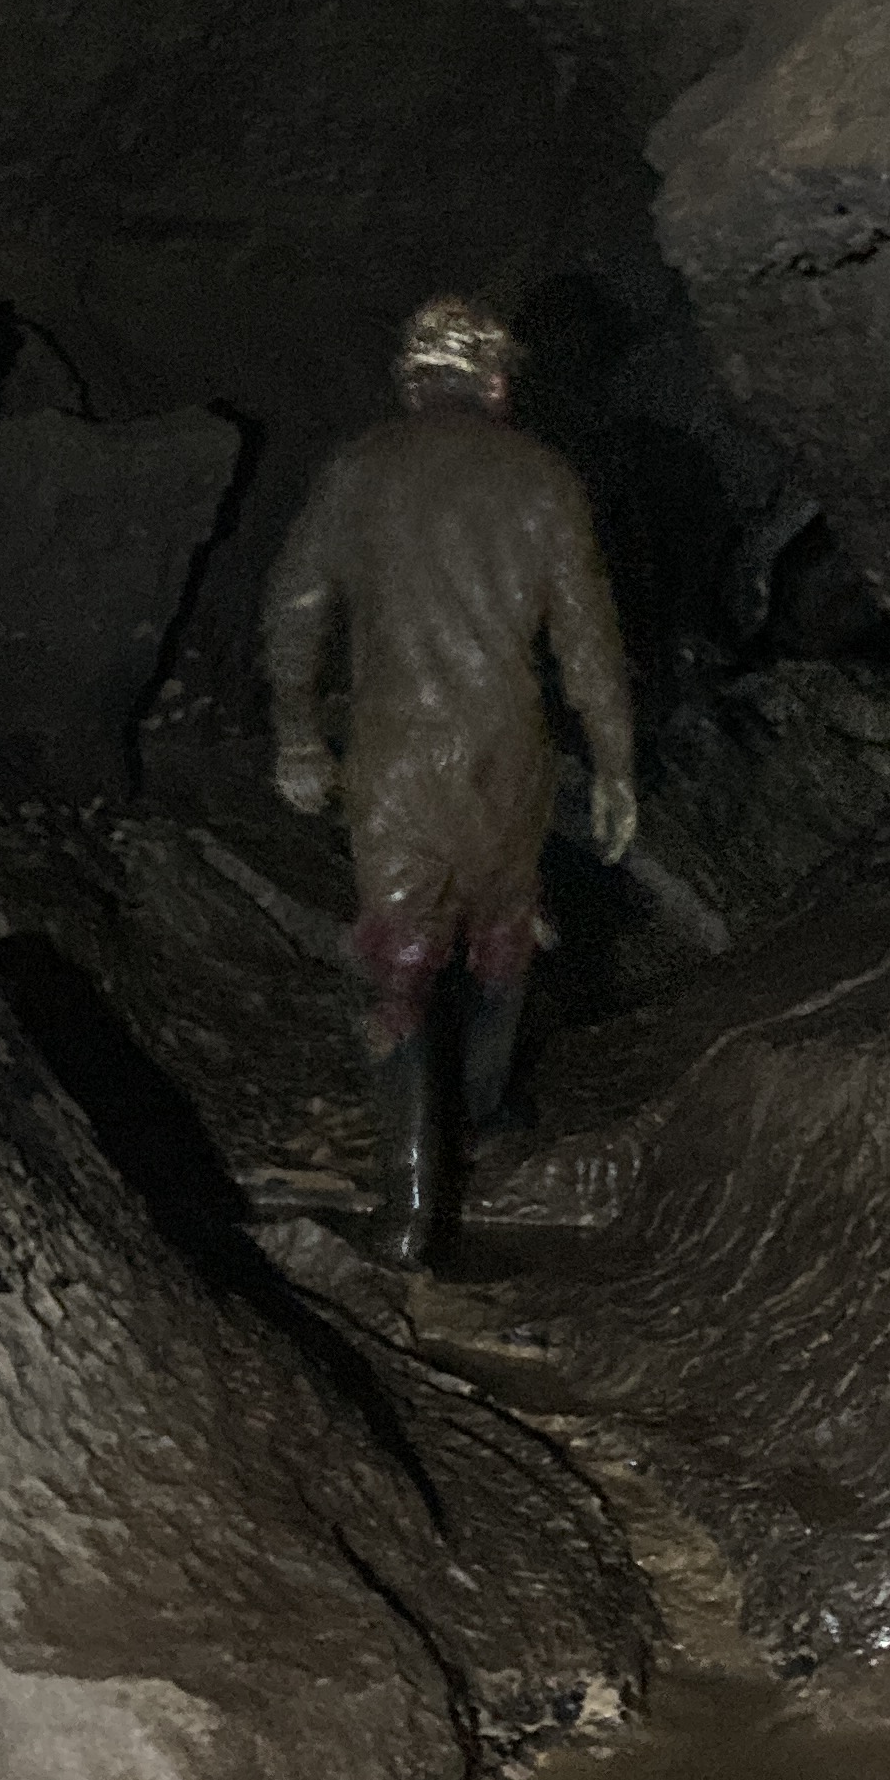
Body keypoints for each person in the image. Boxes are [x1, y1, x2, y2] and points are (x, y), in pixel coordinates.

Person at [264, 296, 638, 1269]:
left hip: (393, 755)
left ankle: (410, 1206)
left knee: (398, 967)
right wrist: (615, 766)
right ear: (499, 384)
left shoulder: (359, 469)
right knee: (503, 936)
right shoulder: (544, 479)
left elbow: (295, 608)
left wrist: (298, 735)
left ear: (412, 381)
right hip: (507, 752)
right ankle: (478, 1113)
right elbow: (590, 644)